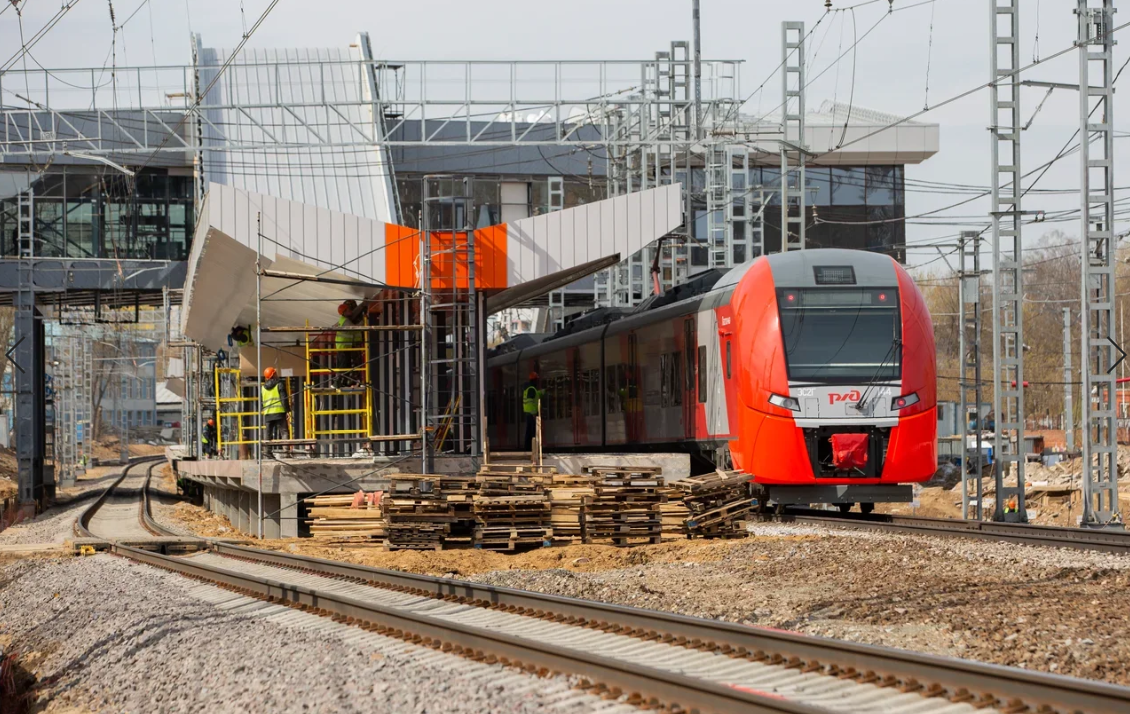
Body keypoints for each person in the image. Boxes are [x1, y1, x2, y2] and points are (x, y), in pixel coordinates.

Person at [335, 300, 365, 387]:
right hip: (343, 347)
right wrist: (364, 322)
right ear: (344, 312)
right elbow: (355, 328)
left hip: (344, 346)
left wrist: (362, 305)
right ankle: (338, 382)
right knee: (344, 366)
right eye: (349, 310)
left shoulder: (344, 319)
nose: (351, 311)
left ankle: (343, 382)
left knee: (346, 365)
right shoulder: (346, 321)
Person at [260, 367, 290, 442]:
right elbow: (284, 399)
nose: (277, 374)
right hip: (280, 413)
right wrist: (287, 411)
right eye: (275, 373)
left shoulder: (263, 388)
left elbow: (261, 401)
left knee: (267, 435)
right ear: (273, 375)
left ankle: (267, 453)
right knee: (284, 432)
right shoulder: (279, 384)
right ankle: (285, 452)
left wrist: (263, 410)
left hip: (268, 414)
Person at [522, 371, 544, 451]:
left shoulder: (529, 388)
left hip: (528, 413)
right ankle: (531, 448)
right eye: (537, 380)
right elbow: (532, 400)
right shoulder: (531, 389)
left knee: (529, 431)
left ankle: (529, 448)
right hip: (531, 413)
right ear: (534, 380)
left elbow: (535, 395)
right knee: (532, 431)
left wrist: (542, 392)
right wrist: (534, 413)